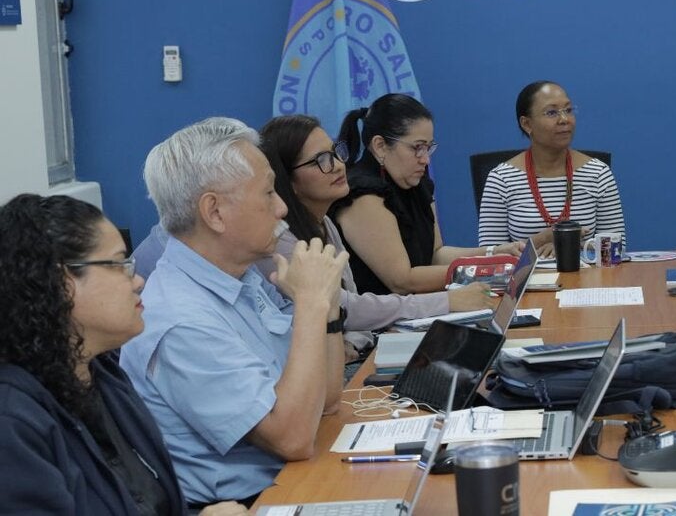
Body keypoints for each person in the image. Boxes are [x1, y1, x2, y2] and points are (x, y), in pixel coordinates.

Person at [121, 117, 349, 507]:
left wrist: (326, 310)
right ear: (214, 213)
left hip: (295, 480)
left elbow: (325, 401)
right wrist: (311, 303)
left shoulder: (241, 276)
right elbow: (292, 438)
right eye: (267, 193)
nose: (281, 208)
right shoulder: (179, 320)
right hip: (252, 502)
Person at [0, 194, 244, 515]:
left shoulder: (104, 373)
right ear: (63, 283)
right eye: (119, 264)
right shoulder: (13, 422)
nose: (138, 280)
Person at [254, 115, 501, 355]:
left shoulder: (325, 222)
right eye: (322, 160)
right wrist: (449, 300)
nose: (339, 165)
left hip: (358, 345)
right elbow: (349, 303)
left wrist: (494, 256)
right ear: (288, 180)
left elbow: (349, 304)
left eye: (335, 152)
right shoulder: (280, 239)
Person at [331, 94, 522, 295]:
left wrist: (494, 253)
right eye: (417, 148)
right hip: (382, 320)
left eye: (428, 148)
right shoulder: (362, 194)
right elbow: (402, 281)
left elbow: (435, 254)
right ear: (380, 146)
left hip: (419, 309)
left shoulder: (415, 182)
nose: (426, 160)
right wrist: (487, 272)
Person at [478, 81, 627, 256]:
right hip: (526, 282)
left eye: (568, 110)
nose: (564, 120)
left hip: (586, 279)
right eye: (552, 112)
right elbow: (490, 256)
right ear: (527, 124)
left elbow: (617, 249)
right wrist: (541, 240)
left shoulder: (598, 173)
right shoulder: (501, 178)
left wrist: (568, 247)